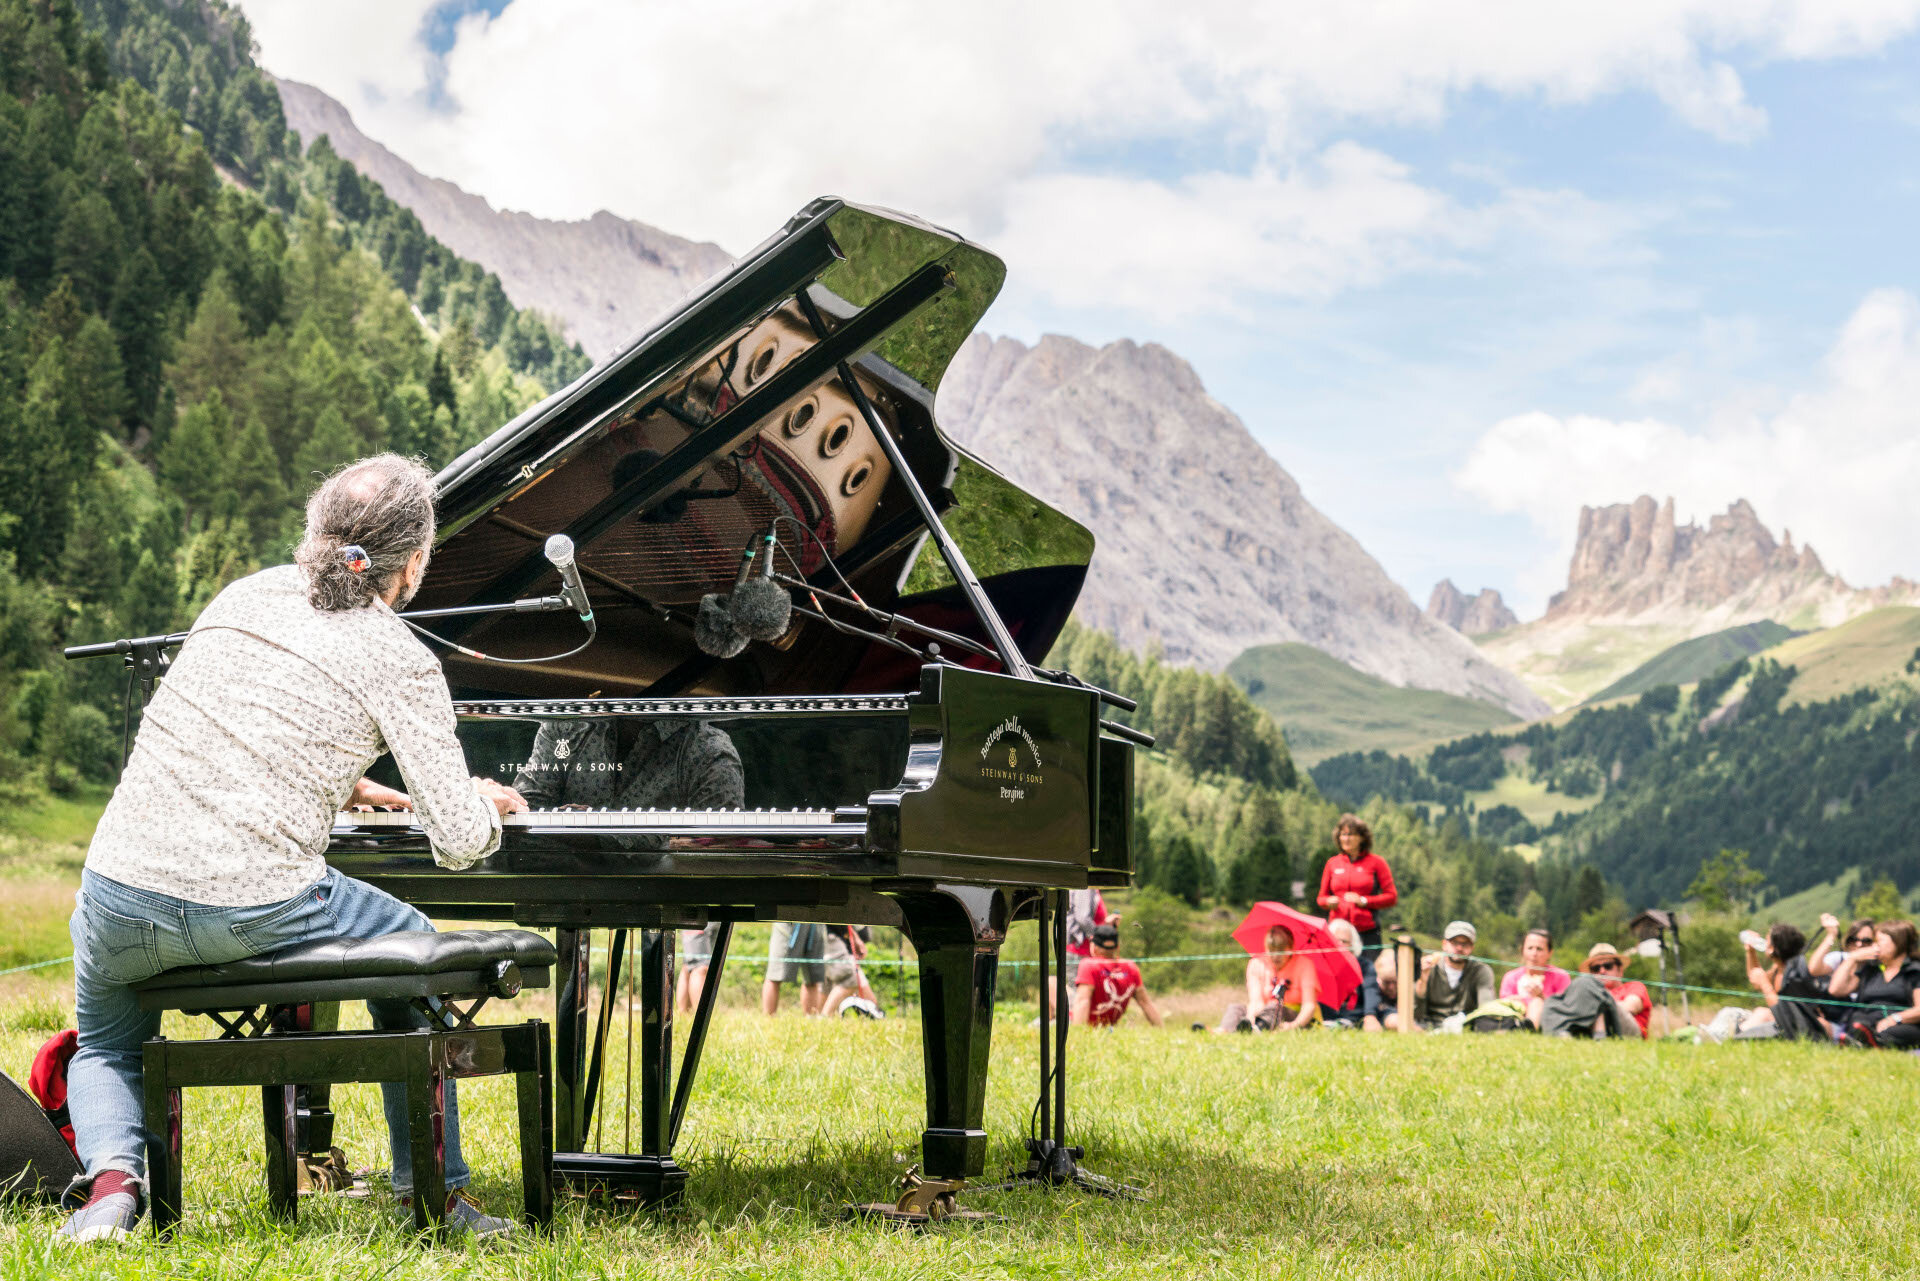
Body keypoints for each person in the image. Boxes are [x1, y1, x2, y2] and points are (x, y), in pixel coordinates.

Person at [61, 456, 529, 1243]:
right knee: (411, 942)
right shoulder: (398, 654)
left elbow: (236, 732)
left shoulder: (243, 593)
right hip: (249, 905)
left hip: (116, 891)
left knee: (104, 1040)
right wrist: (483, 805)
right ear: (414, 561)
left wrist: (358, 787)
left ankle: (111, 1190)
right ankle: (438, 1199)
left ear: (314, 531)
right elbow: (457, 842)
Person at [1702, 923, 1835, 1042]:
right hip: (1781, 1021)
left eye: (1767, 940)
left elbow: (1784, 1011)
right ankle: (1714, 1035)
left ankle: (1725, 1039)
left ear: (1773, 948)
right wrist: (1750, 952)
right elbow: (1755, 980)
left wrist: (1765, 984)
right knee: (1730, 1012)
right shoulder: (1778, 968)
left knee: (1762, 1013)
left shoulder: (1795, 975)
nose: (1764, 943)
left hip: (1799, 1025)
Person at [1316, 815, 1396, 1007]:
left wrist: (1364, 900)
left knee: (1368, 973)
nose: (1346, 839)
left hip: (1366, 931)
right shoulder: (1332, 864)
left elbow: (1391, 896)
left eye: (1351, 834)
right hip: (1338, 933)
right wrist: (1329, 902)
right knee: (1336, 972)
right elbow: (1320, 898)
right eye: (1343, 834)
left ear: (1362, 837)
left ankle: (1370, 1010)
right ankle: (1337, 1009)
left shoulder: (1376, 863)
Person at [1825, 920, 1920, 1048]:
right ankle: (1867, 1040)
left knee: (1898, 1032)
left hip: (1900, 1024)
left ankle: (1869, 1042)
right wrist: (1852, 959)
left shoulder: (1913, 971)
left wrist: (1894, 1019)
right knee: (1858, 1022)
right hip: (1866, 1021)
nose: (1874, 946)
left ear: (1898, 943)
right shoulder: (1871, 970)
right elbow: (1835, 989)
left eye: (1879, 941)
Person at [1390, 921, 1496, 1031]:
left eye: (1465, 944)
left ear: (1472, 947)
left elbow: (1486, 1008)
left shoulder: (1481, 970)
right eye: (1454, 942)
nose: (1459, 948)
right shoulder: (1428, 966)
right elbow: (1416, 1014)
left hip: (1466, 1026)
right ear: (1444, 944)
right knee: (1396, 1021)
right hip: (1429, 1026)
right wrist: (1423, 980)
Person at [1217, 925, 1318, 1032]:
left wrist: (1294, 1025)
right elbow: (1256, 1001)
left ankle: (1256, 1030)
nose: (1275, 956)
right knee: (1235, 1008)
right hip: (1264, 1012)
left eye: (1281, 951)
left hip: (1293, 1016)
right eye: (1271, 951)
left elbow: (1309, 1005)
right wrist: (1251, 1017)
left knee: (1274, 1007)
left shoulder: (1305, 964)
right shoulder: (1256, 964)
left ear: (1290, 948)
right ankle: (1222, 1031)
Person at [1074, 923, 1163, 1028]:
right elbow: (1145, 1002)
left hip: (1078, 1022)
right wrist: (1162, 1030)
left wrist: (1078, 1031)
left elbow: (1082, 1001)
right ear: (1117, 947)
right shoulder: (1130, 967)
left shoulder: (1088, 965)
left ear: (1094, 946)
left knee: (1053, 982)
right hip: (1109, 1025)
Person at [1500, 928, 1572, 1028]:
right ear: (1522, 951)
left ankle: (1529, 1027)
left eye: (1539, 949)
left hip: (1550, 1023)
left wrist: (1541, 997)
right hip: (1513, 1019)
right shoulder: (1510, 977)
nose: (1534, 954)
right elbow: (1503, 1003)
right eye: (1530, 948)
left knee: (1537, 1002)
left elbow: (1566, 1008)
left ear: (1550, 953)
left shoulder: (1561, 976)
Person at [762, 921, 826, 1015]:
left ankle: (811, 1020)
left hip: (816, 919)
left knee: (813, 977)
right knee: (775, 974)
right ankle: (768, 1018)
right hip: (789, 919)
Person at [821, 924, 884, 1018]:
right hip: (834, 938)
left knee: (858, 984)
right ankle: (824, 1017)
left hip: (841, 944)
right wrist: (855, 938)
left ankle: (877, 1015)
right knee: (851, 980)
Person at [677, 922, 722, 1015]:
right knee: (699, 968)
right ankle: (700, 1018)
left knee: (691, 966)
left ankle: (685, 1017)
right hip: (697, 914)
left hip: (716, 916)